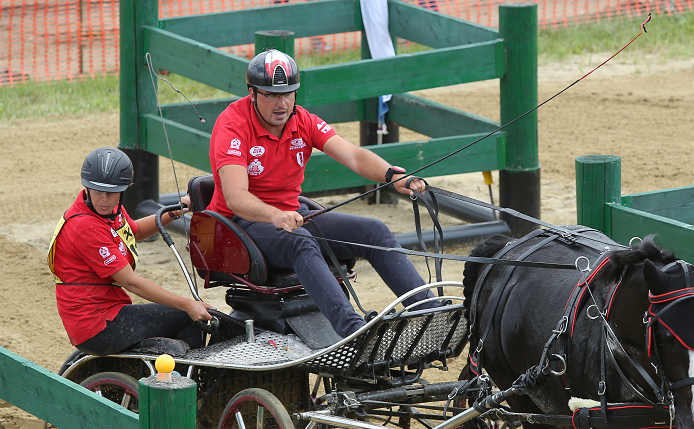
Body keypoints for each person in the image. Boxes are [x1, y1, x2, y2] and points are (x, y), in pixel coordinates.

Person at [208, 49, 436, 338]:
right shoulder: (232, 125)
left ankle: (428, 311)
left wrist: (391, 175)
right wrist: (275, 215)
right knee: (300, 243)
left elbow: (352, 155)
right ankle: (353, 331)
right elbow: (236, 197)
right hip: (241, 225)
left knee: (374, 231)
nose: (282, 103)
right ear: (252, 93)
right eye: (271, 95)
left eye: (289, 94)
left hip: (293, 217)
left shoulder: (302, 120)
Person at [49, 147, 214, 356]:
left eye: (112, 192)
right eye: (98, 191)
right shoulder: (85, 228)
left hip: (107, 313)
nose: (104, 199)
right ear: (87, 187)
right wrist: (188, 305)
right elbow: (131, 282)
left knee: (184, 312)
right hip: (98, 326)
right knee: (188, 316)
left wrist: (176, 209)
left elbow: (134, 231)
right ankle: (183, 384)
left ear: (124, 189)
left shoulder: (109, 211)